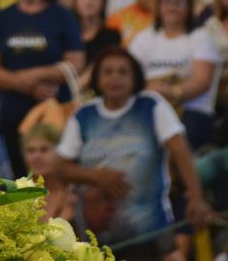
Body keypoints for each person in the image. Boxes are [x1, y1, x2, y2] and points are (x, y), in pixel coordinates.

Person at [50, 47, 210, 261]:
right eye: (108, 72)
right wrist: (96, 176)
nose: (115, 78)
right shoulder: (84, 115)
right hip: (97, 236)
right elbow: (60, 167)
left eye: (123, 72)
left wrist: (196, 198)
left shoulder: (151, 106)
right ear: (97, 78)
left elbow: (181, 151)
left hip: (150, 231)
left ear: (135, 78)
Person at [0, 0, 85, 176]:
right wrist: (26, 85)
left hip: (54, 109)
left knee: (54, 176)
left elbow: (75, 63)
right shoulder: (3, 17)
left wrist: (34, 74)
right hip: (13, 111)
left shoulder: (62, 15)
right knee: (20, 178)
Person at [129, 0, 220, 147]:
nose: (172, 7)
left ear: (189, 7)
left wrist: (170, 91)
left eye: (179, 2)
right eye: (167, 1)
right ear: (159, 5)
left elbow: (201, 81)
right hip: (148, 107)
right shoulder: (144, 38)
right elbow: (129, 76)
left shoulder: (201, 37)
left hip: (191, 110)